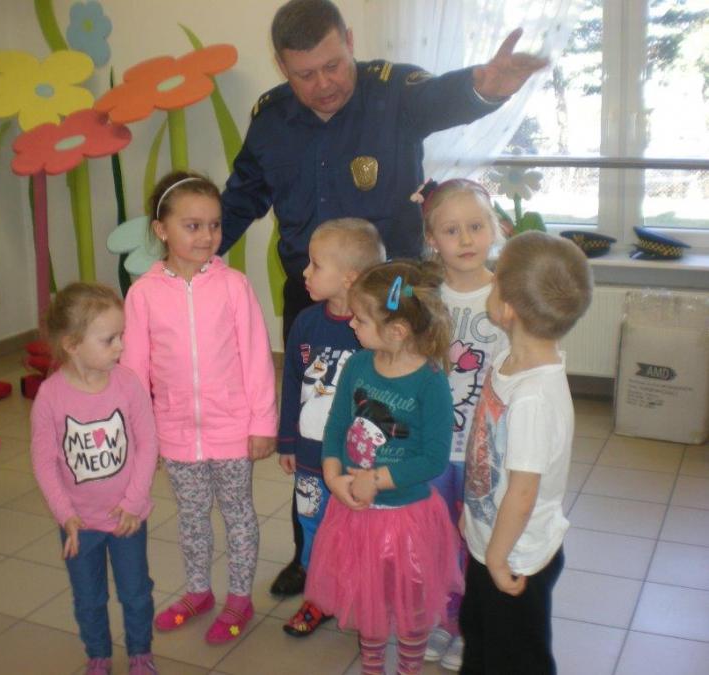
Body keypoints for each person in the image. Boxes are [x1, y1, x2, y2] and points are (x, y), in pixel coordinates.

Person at [220, 0, 546, 595]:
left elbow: (444, 97)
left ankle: (404, 549)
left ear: (349, 41)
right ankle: (313, 552)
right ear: (282, 68)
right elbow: (241, 196)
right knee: (320, 427)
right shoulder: (271, 118)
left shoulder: (392, 90)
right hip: (314, 298)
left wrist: (485, 87)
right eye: (304, 74)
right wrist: (196, 252)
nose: (323, 84)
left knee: (393, 426)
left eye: (333, 65)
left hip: (393, 304)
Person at [121, 171, 278, 645]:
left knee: (238, 514)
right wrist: (140, 433)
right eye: (192, 226)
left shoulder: (233, 286)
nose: (207, 236)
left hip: (232, 427)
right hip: (174, 430)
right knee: (191, 517)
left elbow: (256, 357)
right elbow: (134, 369)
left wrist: (262, 422)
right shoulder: (143, 294)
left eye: (214, 225)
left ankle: (239, 597)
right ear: (161, 229)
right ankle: (198, 591)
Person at [305, 260, 463, 675]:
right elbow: (337, 425)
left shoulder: (430, 381)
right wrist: (333, 475)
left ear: (397, 331)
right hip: (356, 516)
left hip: (408, 517)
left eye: (360, 319)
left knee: (412, 607)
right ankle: (372, 667)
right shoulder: (358, 365)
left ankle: (408, 668)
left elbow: (434, 457)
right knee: (367, 601)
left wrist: (376, 479)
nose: (352, 324)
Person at [460, 231, 593, 674]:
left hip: (516, 557)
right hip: (491, 539)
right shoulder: (508, 360)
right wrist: (474, 517)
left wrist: (498, 558)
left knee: (517, 659)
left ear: (507, 308)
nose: (489, 280)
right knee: (479, 637)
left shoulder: (534, 397)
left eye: (495, 277)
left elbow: (522, 492)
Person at [31, 283, 159, 675]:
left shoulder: (128, 384)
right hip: (79, 524)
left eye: (121, 335)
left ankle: (140, 653)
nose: (121, 346)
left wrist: (134, 502)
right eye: (109, 339)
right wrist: (65, 515)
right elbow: (44, 463)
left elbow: (148, 445)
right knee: (88, 598)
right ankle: (98, 655)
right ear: (71, 344)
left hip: (127, 518)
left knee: (136, 593)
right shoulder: (50, 397)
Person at [411, 179, 509, 671]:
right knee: (435, 538)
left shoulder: (508, 297)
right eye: (452, 230)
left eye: (475, 226)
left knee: (477, 539)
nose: (466, 239)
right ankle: (441, 618)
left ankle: (471, 624)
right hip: (432, 448)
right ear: (432, 239)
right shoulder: (424, 299)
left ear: (494, 229)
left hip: (484, 449)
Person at [276, 218, 386, 638]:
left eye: (315, 264)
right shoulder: (305, 322)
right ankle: (318, 597)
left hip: (357, 463)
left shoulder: (372, 331)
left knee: (358, 530)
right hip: (309, 455)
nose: (305, 272)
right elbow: (292, 381)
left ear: (349, 277)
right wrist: (287, 440)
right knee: (312, 525)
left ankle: (361, 594)